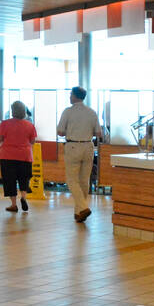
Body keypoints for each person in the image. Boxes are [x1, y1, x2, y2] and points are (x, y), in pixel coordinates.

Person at [58, 86, 105, 223]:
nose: (69, 97)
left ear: (75, 96)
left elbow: (60, 131)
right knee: (84, 179)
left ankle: (83, 207)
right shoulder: (92, 112)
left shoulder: (68, 112)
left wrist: (71, 130)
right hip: (88, 146)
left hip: (73, 145)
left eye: (70, 94)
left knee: (72, 179)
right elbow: (99, 133)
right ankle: (79, 212)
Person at [0, 100, 36, 213]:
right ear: (24, 111)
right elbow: (33, 141)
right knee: (24, 178)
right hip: (25, 156)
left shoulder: (5, 123)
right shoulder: (30, 125)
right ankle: (23, 197)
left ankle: (13, 205)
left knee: (10, 180)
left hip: (7, 155)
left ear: (13, 111)